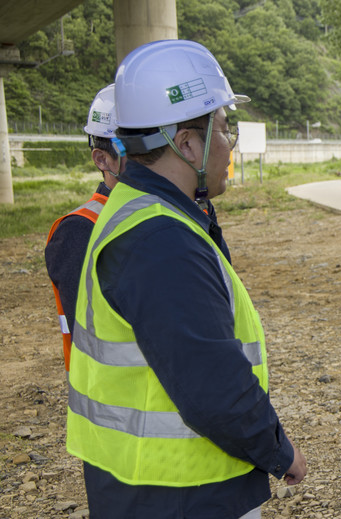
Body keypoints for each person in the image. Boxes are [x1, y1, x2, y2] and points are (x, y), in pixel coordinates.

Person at [65, 40, 306, 518]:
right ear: (187, 143)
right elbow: (213, 384)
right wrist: (278, 450)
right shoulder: (161, 239)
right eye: (225, 128)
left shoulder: (140, 209)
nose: (230, 145)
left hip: (144, 483)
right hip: (180, 491)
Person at [45, 84, 124, 371]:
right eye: (137, 149)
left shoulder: (180, 212)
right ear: (102, 159)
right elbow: (93, 338)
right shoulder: (80, 230)